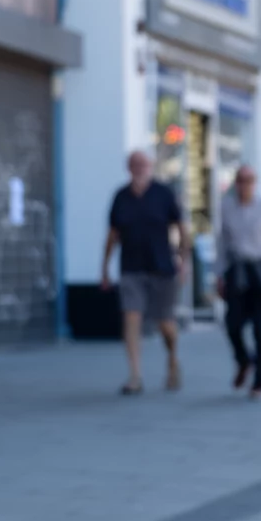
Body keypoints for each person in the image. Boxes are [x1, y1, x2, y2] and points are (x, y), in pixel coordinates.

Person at [101, 150, 188, 395]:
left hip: (162, 268)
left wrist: (183, 260)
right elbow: (112, 235)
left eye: (143, 164)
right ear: (128, 168)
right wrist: (105, 268)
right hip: (131, 268)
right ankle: (135, 376)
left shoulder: (164, 194)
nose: (139, 168)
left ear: (151, 166)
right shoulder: (120, 197)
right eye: (134, 164)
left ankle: (172, 358)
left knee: (165, 324)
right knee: (131, 317)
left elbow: (182, 228)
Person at [216, 165, 261, 398]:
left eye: (249, 180)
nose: (244, 185)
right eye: (240, 180)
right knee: (233, 324)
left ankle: (260, 382)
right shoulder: (226, 207)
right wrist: (219, 274)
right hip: (237, 270)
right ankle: (244, 360)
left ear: (254, 183)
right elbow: (222, 243)